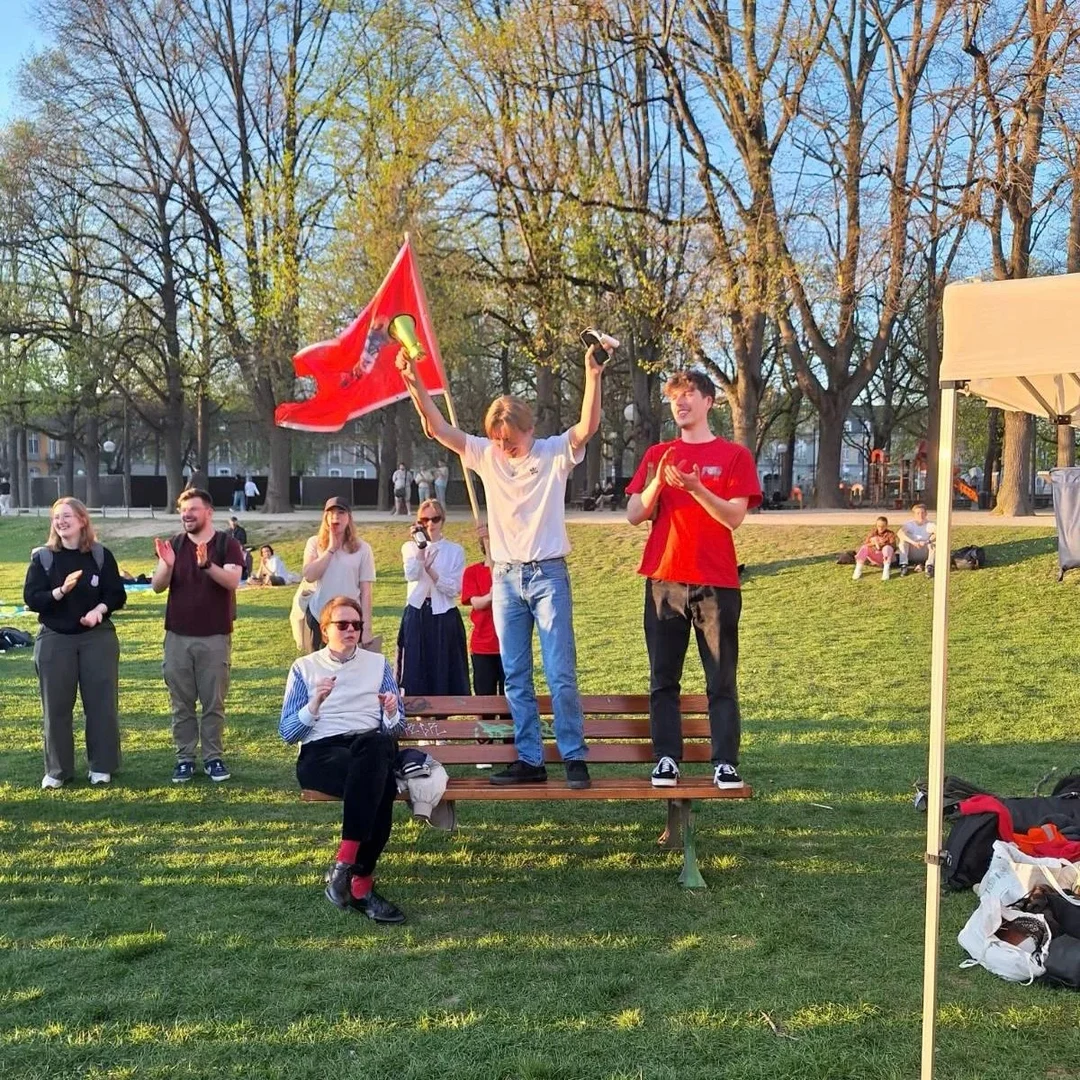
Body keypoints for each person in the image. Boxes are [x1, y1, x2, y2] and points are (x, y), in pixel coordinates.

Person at [397, 341, 605, 789]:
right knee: (515, 673)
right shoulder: (487, 454)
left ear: (525, 430)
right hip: (507, 576)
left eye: (509, 442)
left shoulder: (552, 454)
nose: (503, 449)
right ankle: (529, 759)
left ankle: (573, 756)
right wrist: (413, 381)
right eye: (497, 442)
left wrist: (592, 374)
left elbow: (587, 426)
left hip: (548, 574)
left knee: (559, 670)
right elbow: (439, 428)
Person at [625, 370, 762, 791]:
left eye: (688, 395)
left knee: (720, 678)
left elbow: (734, 517)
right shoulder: (658, 454)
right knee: (662, 678)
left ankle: (725, 763)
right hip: (664, 581)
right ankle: (666, 759)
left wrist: (697, 488)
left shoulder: (734, 456)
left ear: (709, 402)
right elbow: (634, 514)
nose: (680, 403)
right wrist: (656, 484)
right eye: (674, 397)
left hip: (716, 583)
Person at [279, 595, 407, 923]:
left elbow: (397, 728)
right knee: (378, 783)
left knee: (376, 750)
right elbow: (287, 732)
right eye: (343, 624)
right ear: (325, 631)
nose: (351, 630)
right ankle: (360, 883)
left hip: (369, 746)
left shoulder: (377, 664)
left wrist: (392, 712)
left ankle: (344, 869)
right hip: (322, 753)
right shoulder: (304, 668)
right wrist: (314, 704)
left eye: (357, 625)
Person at [23, 497, 126, 789]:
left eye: (67, 516)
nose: (61, 522)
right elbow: (32, 598)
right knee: (55, 708)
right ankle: (58, 771)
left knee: (101, 705)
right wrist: (60, 591)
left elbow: (116, 594)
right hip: (55, 639)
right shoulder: (43, 558)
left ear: (82, 520)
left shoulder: (100, 555)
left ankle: (102, 767)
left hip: (97, 639)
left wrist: (98, 611)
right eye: (56, 517)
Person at [152, 488, 244, 783]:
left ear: (208, 512)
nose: (186, 515)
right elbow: (156, 586)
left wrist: (206, 565)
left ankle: (213, 757)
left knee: (213, 702)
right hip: (177, 636)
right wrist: (167, 564)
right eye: (183, 510)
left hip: (215, 637)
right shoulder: (175, 544)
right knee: (181, 703)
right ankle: (185, 758)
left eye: (192, 509)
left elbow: (232, 581)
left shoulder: (227, 544)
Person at [396, 499, 469, 695]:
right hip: (416, 612)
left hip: (444, 613)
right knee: (415, 667)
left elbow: (454, 589)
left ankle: (442, 719)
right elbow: (411, 575)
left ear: (442, 520)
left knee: (443, 668)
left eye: (435, 518)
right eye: (424, 519)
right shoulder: (409, 548)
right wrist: (421, 551)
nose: (430, 524)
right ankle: (421, 718)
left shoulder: (455, 551)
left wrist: (432, 572)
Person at [302, 498, 376, 650]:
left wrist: (366, 628)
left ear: (349, 517)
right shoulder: (314, 543)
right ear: (326, 519)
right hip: (320, 616)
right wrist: (331, 549)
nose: (336, 517)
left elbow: (366, 591)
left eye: (341, 512)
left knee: (349, 668)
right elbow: (309, 575)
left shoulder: (363, 548)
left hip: (350, 620)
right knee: (320, 669)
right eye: (331, 513)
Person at [461, 535, 504, 697]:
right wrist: (491, 596)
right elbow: (476, 603)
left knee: (510, 699)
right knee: (485, 697)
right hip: (483, 646)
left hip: (509, 645)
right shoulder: (472, 572)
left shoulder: (511, 573)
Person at [853, 516, 898, 581]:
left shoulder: (890, 534)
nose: (880, 528)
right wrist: (874, 543)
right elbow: (866, 544)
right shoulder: (873, 533)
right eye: (879, 526)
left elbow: (893, 546)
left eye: (883, 526)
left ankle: (886, 571)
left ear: (886, 525)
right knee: (864, 547)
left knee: (887, 547)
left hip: (887, 557)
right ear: (876, 525)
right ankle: (858, 569)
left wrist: (882, 544)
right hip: (875, 556)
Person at [898, 502, 937, 577]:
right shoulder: (909, 524)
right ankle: (904, 565)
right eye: (918, 513)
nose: (920, 515)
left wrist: (927, 541)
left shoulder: (931, 524)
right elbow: (899, 533)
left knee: (934, 542)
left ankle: (929, 566)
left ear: (926, 514)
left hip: (925, 551)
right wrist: (913, 542)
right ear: (914, 515)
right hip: (913, 551)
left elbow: (939, 533)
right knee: (903, 541)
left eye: (922, 513)